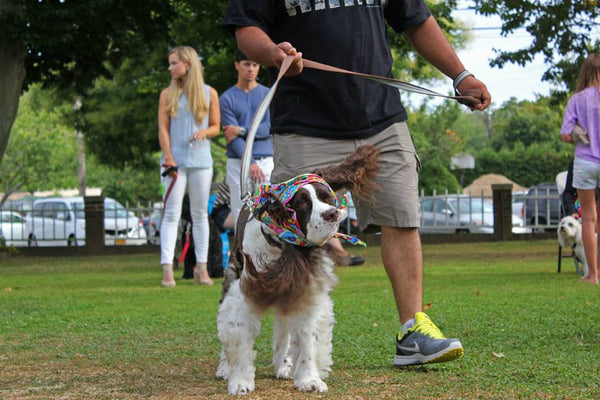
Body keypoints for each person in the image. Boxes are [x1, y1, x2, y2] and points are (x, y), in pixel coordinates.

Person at [223, 0, 491, 366]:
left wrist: (460, 75)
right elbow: (245, 28)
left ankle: (413, 332)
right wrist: (272, 52)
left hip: (381, 119)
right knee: (287, 237)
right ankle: (284, 341)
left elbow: (415, 18)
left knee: (402, 218)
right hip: (303, 122)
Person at [157, 45, 220, 287]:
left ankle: (202, 268)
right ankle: (167, 270)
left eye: (174, 63)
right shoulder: (166, 94)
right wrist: (168, 156)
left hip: (201, 162)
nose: (170, 67)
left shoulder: (209, 93)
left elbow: (216, 125)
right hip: (174, 163)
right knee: (171, 214)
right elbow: (163, 128)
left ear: (188, 64)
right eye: (170, 63)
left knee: (199, 215)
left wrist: (205, 131)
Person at [220, 50, 274, 228]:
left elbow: (268, 127)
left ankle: (268, 256)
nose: (251, 69)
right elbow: (231, 137)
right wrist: (249, 163)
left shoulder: (268, 94)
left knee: (267, 213)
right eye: (247, 64)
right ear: (237, 65)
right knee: (241, 213)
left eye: (255, 65)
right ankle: (243, 256)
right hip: (238, 162)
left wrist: (242, 130)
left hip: (266, 161)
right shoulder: (227, 98)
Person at [560, 53, 600, 285]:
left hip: (585, 162)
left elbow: (566, 134)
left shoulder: (577, 99)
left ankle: (592, 274)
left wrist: (577, 133)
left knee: (589, 218)